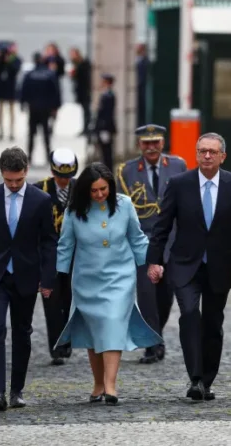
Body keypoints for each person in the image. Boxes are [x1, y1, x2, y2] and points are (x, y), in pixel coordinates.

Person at [146, 132, 231, 402]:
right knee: (190, 314)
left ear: (222, 156)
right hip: (184, 265)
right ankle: (195, 378)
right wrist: (154, 260)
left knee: (213, 323)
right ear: (196, 154)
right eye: (202, 151)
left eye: (212, 151)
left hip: (220, 266)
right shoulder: (179, 183)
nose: (207, 155)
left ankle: (207, 379)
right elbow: (161, 226)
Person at [55, 163, 163, 406]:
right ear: (85, 191)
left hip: (119, 277)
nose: (100, 195)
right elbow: (65, 245)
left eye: (104, 189)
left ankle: (111, 386)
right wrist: (58, 278)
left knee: (113, 322)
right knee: (94, 333)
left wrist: (151, 265)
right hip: (87, 279)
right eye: (94, 191)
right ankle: (98, 384)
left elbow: (137, 239)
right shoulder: (74, 210)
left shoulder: (124, 204)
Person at [0, 147, 57, 411]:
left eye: (18, 180)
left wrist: (48, 279)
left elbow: (49, 242)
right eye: (9, 180)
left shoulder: (41, 200)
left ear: (26, 170)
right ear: (2, 174)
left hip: (26, 276)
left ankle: (16, 390)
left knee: (21, 332)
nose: (14, 185)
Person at [116, 124, 187, 364]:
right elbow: (120, 209)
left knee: (166, 295)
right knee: (146, 293)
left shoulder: (178, 165)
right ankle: (152, 343)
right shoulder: (125, 171)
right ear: (139, 145)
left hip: (172, 241)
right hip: (142, 242)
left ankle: (156, 333)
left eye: (155, 142)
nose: (151, 147)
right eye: (146, 143)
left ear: (163, 142)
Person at [33, 148, 78, 366]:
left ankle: (67, 340)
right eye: (60, 176)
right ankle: (56, 346)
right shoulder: (38, 190)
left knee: (70, 300)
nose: (64, 180)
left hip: (75, 256)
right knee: (51, 301)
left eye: (68, 176)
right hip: (47, 256)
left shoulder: (81, 190)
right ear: (52, 172)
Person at [21, 52, 62, 165]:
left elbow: (23, 90)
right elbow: (55, 92)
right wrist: (55, 107)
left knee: (31, 134)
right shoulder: (50, 74)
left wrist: (22, 103)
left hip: (33, 108)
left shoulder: (29, 74)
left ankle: (29, 156)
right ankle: (49, 156)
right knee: (46, 134)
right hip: (45, 109)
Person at [94, 73, 117, 170]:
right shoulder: (106, 94)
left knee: (107, 153)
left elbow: (107, 114)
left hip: (105, 128)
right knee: (104, 153)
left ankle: (108, 171)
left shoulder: (108, 96)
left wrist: (104, 129)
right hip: (103, 127)